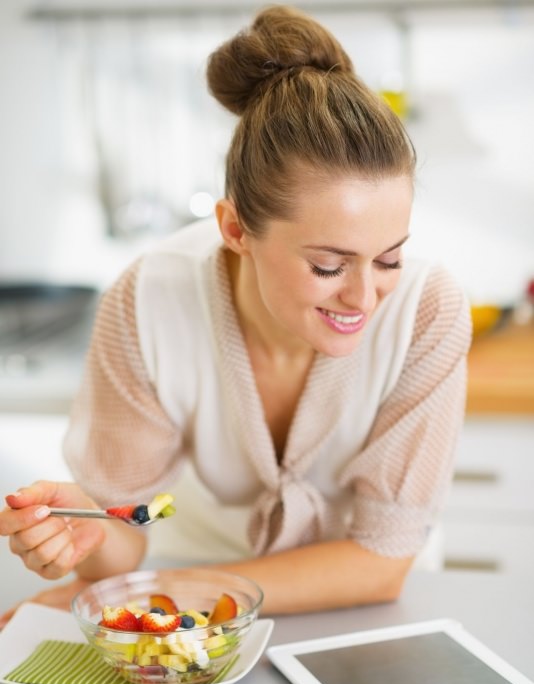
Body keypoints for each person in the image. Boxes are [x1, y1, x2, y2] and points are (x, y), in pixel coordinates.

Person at [0, 5, 470, 622]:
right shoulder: (148, 302)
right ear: (236, 229)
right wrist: (87, 533)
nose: (363, 298)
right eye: (328, 266)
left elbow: (379, 564)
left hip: (361, 610)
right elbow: (130, 530)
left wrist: (158, 591)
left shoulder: (427, 311)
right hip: (204, 602)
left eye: (388, 259)